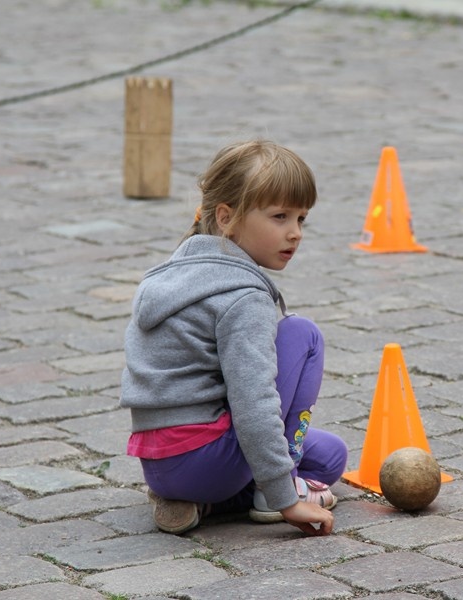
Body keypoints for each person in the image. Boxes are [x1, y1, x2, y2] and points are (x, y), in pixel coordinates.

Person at [120, 140, 348, 536]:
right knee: (302, 334)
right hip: (207, 457)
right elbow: (254, 400)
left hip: (160, 466)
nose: (295, 233)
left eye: (301, 219)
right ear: (226, 217)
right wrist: (285, 499)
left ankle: (197, 503)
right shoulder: (242, 296)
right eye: (280, 216)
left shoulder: (174, 274)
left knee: (330, 456)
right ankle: (268, 489)